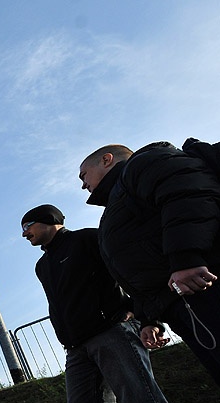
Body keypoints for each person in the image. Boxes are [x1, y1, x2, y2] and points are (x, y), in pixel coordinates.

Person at [21, 204, 201, 403]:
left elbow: (129, 278)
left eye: (28, 226)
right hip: (77, 349)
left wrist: (148, 319)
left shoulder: (89, 240)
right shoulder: (42, 266)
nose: (25, 233)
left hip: (113, 332)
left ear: (49, 221)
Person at [79, 142, 220, 385]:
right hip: (183, 302)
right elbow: (139, 266)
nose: (83, 184)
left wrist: (185, 258)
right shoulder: (118, 198)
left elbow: (187, 193)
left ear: (106, 160)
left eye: (84, 175)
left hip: (203, 286)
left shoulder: (143, 164)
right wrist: (148, 320)